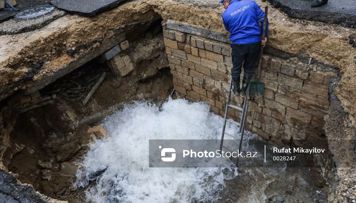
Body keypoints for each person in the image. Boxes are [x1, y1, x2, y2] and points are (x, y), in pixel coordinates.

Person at [221, 0, 268, 95]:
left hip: (238, 44)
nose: (223, 6)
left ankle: (236, 89)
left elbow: (229, 29)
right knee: (249, 67)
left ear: (227, 1)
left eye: (223, 3)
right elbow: (264, 20)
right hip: (254, 42)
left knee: (236, 67)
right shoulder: (251, 3)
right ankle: (245, 87)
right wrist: (265, 36)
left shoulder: (225, 14)